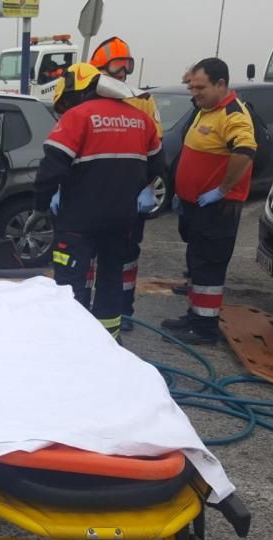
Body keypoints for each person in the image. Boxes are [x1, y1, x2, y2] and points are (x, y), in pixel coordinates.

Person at [33, 63, 164, 340]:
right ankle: (108, 340)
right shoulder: (141, 119)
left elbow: (51, 169)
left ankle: (74, 341)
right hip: (121, 220)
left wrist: (41, 202)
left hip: (78, 221)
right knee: (111, 280)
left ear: (75, 92)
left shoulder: (77, 117)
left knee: (70, 284)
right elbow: (157, 166)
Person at [162, 58, 256, 345]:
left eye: (201, 87)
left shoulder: (232, 113)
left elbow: (245, 150)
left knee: (209, 267)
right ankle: (195, 316)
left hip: (217, 208)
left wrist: (223, 189)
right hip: (196, 205)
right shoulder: (205, 110)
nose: (195, 92)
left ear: (221, 84)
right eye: (192, 86)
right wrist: (182, 192)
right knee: (197, 264)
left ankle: (205, 329)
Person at [87, 36, 165, 332]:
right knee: (89, 257)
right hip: (93, 194)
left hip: (129, 194)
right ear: (99, 71)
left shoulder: (143, 100)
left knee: (125, 257)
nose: (123, 75)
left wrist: (149, 187)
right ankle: (89, 310)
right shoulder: (87, 98)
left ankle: (123, 311)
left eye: (126, 68)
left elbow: (156, 150)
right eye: (117, 68)